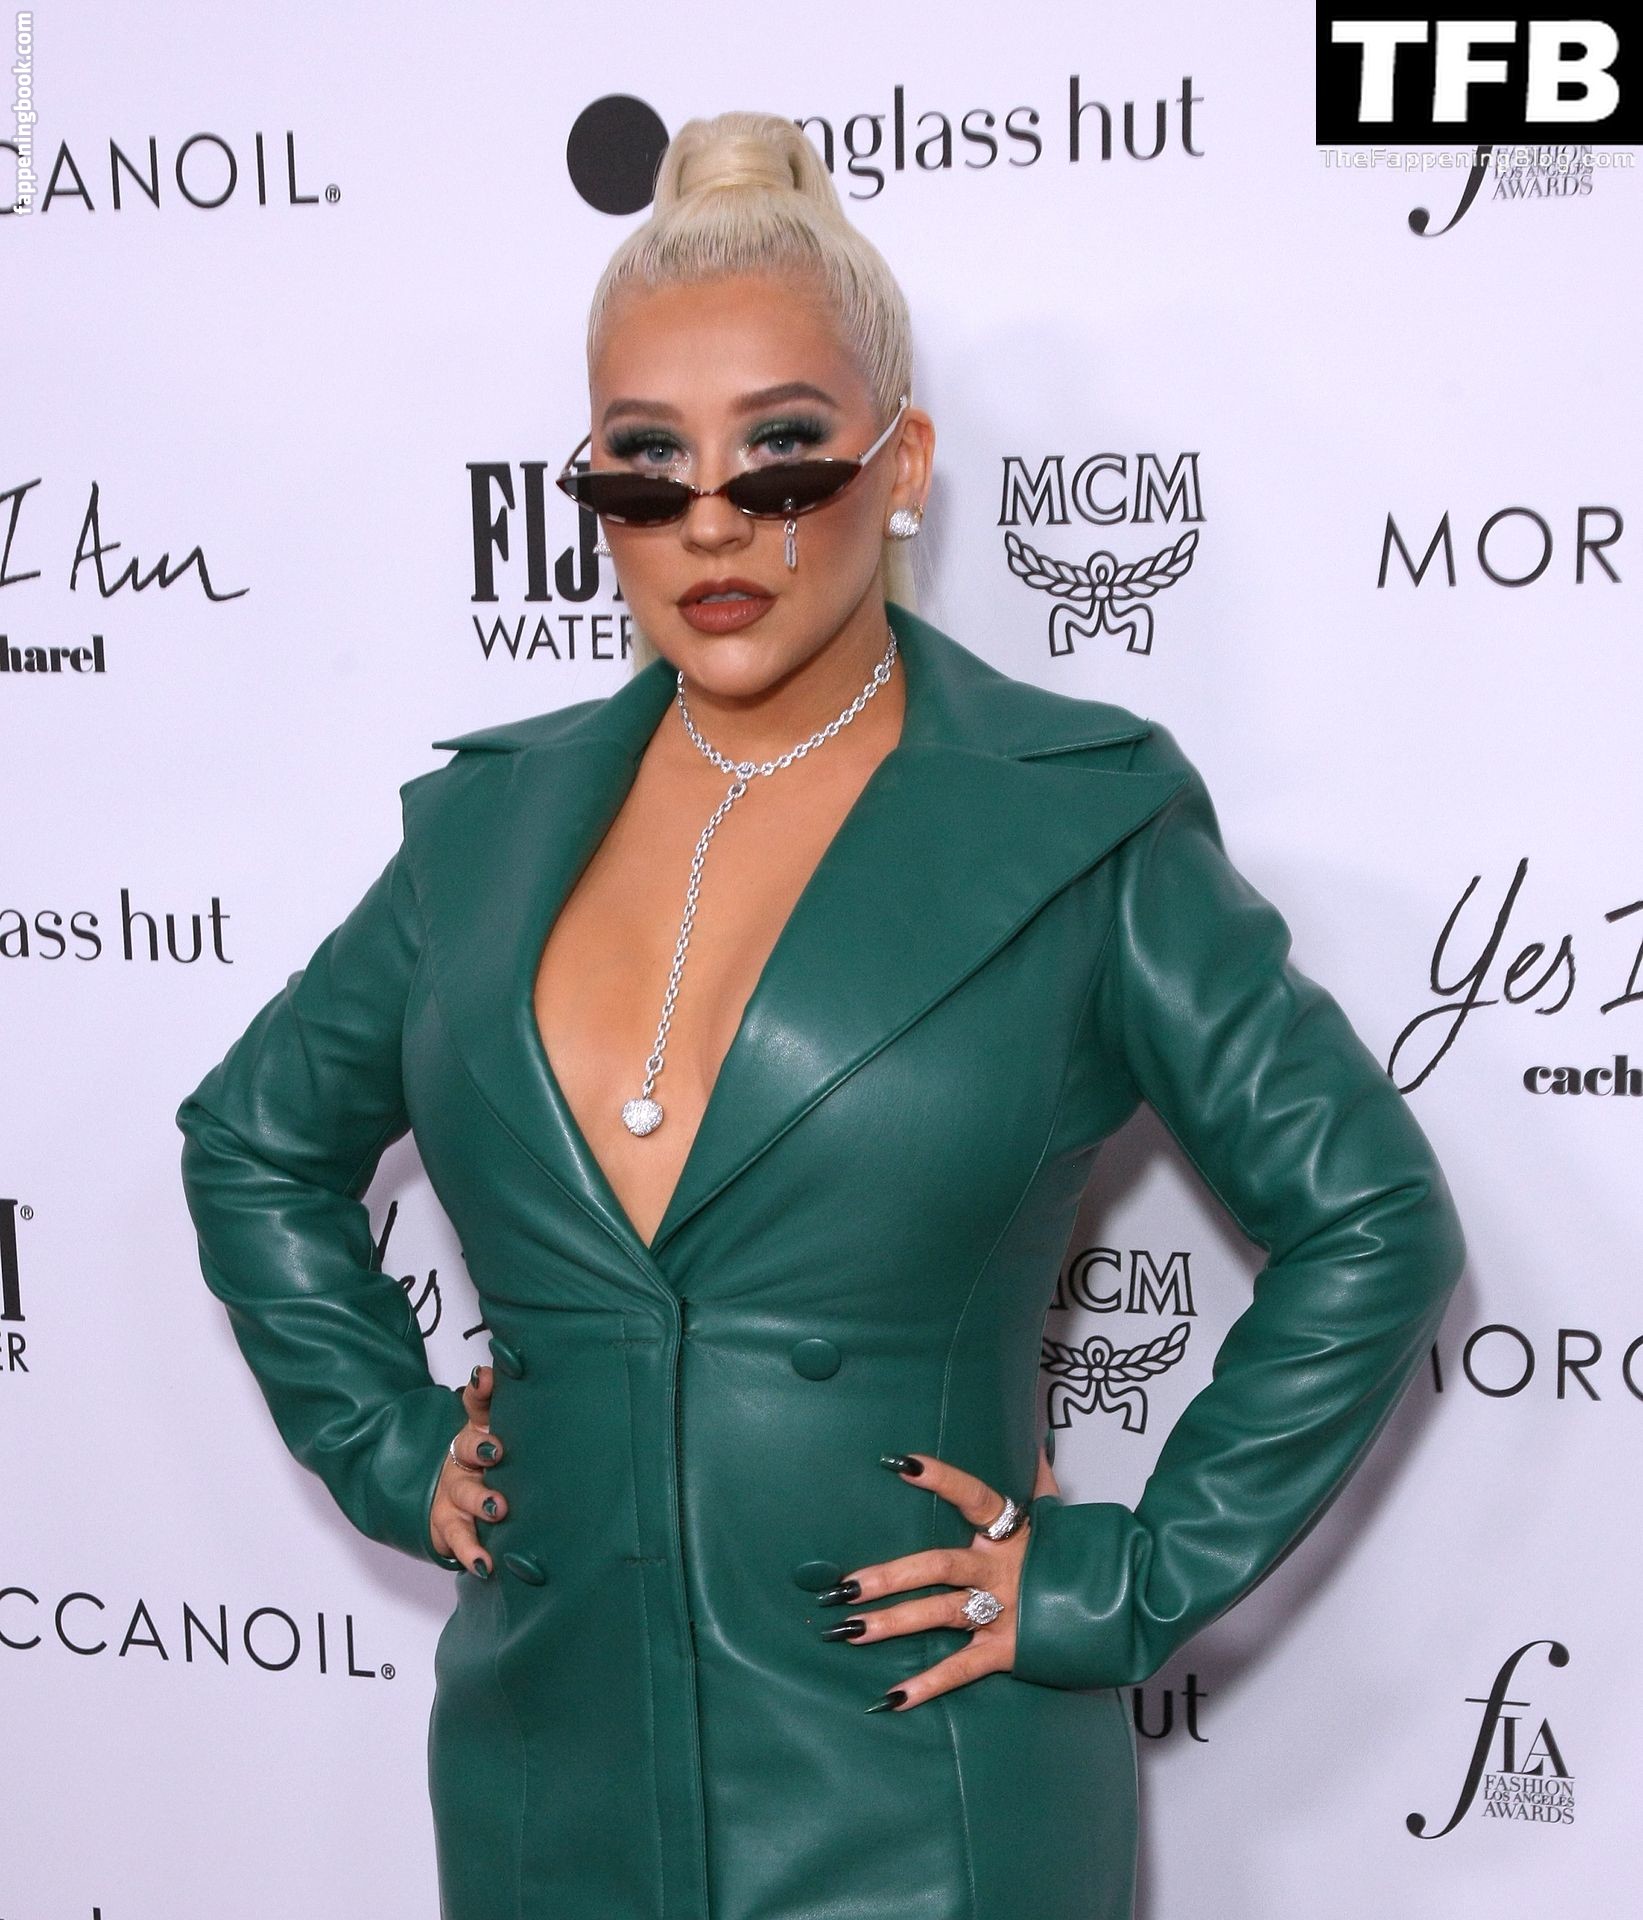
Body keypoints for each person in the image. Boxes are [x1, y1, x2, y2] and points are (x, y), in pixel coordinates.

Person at [175, 110, 1467, 1920]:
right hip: (551, 1781)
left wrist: (1126, 1578)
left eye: (782, 456)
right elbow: (248, 1143)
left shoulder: (1074, 822)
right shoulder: (479, 837)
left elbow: (1375, 1218)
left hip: (927, 1797)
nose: (711, 520)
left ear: (901, 461)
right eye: (646, 466)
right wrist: (392, 1445)